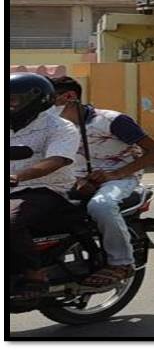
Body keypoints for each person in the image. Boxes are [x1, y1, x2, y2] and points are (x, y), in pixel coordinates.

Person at [48, 76, 154, 290]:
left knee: (101, 206)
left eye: (48, 101)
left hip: (121, 178)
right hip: (72, 180)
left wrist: (117, 173)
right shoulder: (55, 127)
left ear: (69, 97)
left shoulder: (112, 120)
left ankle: (121, 263)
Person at [8, 73, 81, 301]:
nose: (7, 103)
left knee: (7, 220)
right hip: (11, 189)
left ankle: (35, 275)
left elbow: (56, 160)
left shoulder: (60, 127)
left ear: (35, 99)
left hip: (46, 189)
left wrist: (17, 176)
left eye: (13, 99)